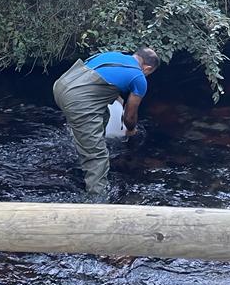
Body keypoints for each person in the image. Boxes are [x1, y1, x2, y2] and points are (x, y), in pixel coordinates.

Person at [53, 47, 160, 201]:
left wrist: (118, 97)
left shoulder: (114, 56)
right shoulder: (139, 77)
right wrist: (132, 131)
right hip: (77, 100)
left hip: (61, 86)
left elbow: (101, 79)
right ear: (147, 68)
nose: (147, 75)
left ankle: (83, 144)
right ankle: (98, 201)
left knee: (104, 114)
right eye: (149, 73)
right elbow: (129, 117)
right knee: (98, 157)